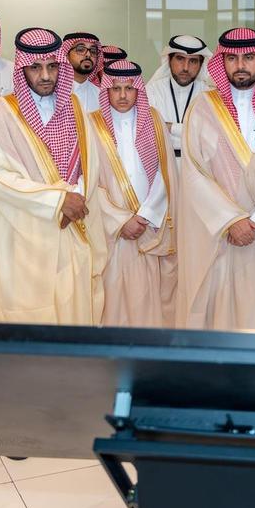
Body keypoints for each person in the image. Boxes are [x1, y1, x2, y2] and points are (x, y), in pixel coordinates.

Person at [176, 28, 255, 331]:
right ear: (222, 62)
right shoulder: (203, 108)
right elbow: (195, 173)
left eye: (249, 57)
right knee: (220, 319)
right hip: (220, 235)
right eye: (232, 58)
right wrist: (232, 221)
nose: (240, 65)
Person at [0, 27, 107, 324]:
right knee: (32, 315)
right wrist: (57, 202)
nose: (46, 76)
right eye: (35, 67)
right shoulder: (1, 111)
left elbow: (91, 161)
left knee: (74, 310)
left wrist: (76, 198)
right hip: (26, 232)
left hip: (72, 225)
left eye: (52, 66)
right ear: (22, 69)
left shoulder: (75, 107)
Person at [90, 59, 177, 326]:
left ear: (138, 89)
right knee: (111, 299)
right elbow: (89, 182)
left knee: (147, 300)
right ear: (106, 90)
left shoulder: (154, 120)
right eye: (116, 88)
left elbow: (166, 172)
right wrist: (120, 221)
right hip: (110, 232)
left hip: (148, 228)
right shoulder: (92, 124)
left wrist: (146, 214)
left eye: (129, 88)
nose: (123, 95)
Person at [147, 35, 214, 160]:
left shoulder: (209, 94)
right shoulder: (152, 91)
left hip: (199, 165)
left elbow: (210, 135)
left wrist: (170, 127)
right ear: (169, 60)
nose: (185, 68)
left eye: (193, 61)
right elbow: (150, 131)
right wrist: (193, 132)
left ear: (201, 64)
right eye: (180, 59)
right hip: (161, 165)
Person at [62, 31, 103, 112]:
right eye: (80, 49)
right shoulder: (54, 92)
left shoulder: (100, 95)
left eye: (93, 51)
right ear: (66, 55)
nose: (88, 54)